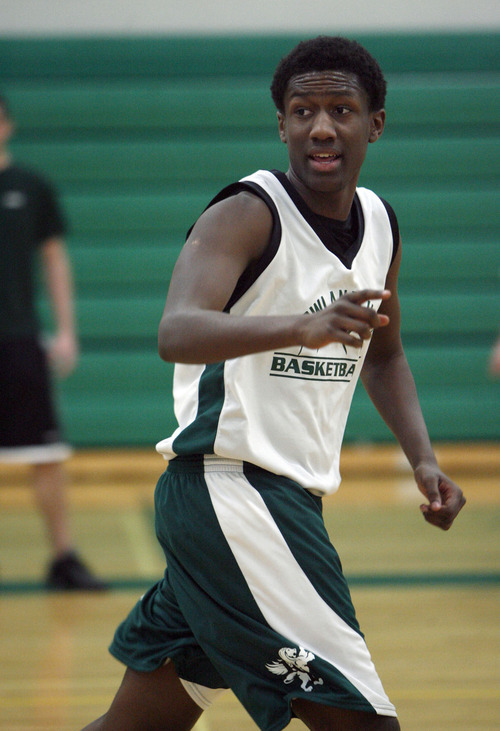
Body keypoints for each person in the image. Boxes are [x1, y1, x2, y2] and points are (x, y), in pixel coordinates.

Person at [82, 36, 465, 730]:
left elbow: (383, 353)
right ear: (281, 123)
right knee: (364, 721)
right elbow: (177, 330)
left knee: (138, 724)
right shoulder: (248, 211)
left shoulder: (380, 224)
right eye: (303, 110)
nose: (321, 126)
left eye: (341, 110)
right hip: (232, 491)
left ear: (374, 123)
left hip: (281, 499)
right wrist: (300, 325)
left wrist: (424, 459)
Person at [0, 94, 107, 591]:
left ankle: (63, 558)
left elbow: (54, 261)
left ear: (8, 126)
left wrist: (66, 331)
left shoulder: (32, 187)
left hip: (19, 340)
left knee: (46, 453)